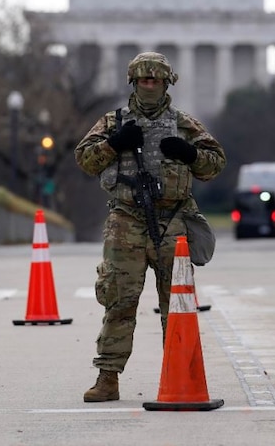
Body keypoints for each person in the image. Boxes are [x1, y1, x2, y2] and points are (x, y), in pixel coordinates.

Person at [74, 51, 227, 402]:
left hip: (172, 219)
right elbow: (84, 159)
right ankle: (108, 377)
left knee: (176, 304)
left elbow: (215, 163)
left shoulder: (184, 123)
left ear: (166, 83)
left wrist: (189, 154)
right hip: (126, 220)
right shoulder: (113, 122)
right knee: (119, 300)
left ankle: (180, 374)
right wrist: (115, 144)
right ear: (133, 82)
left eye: (155, 80)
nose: (149, 86)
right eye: (144, 80)